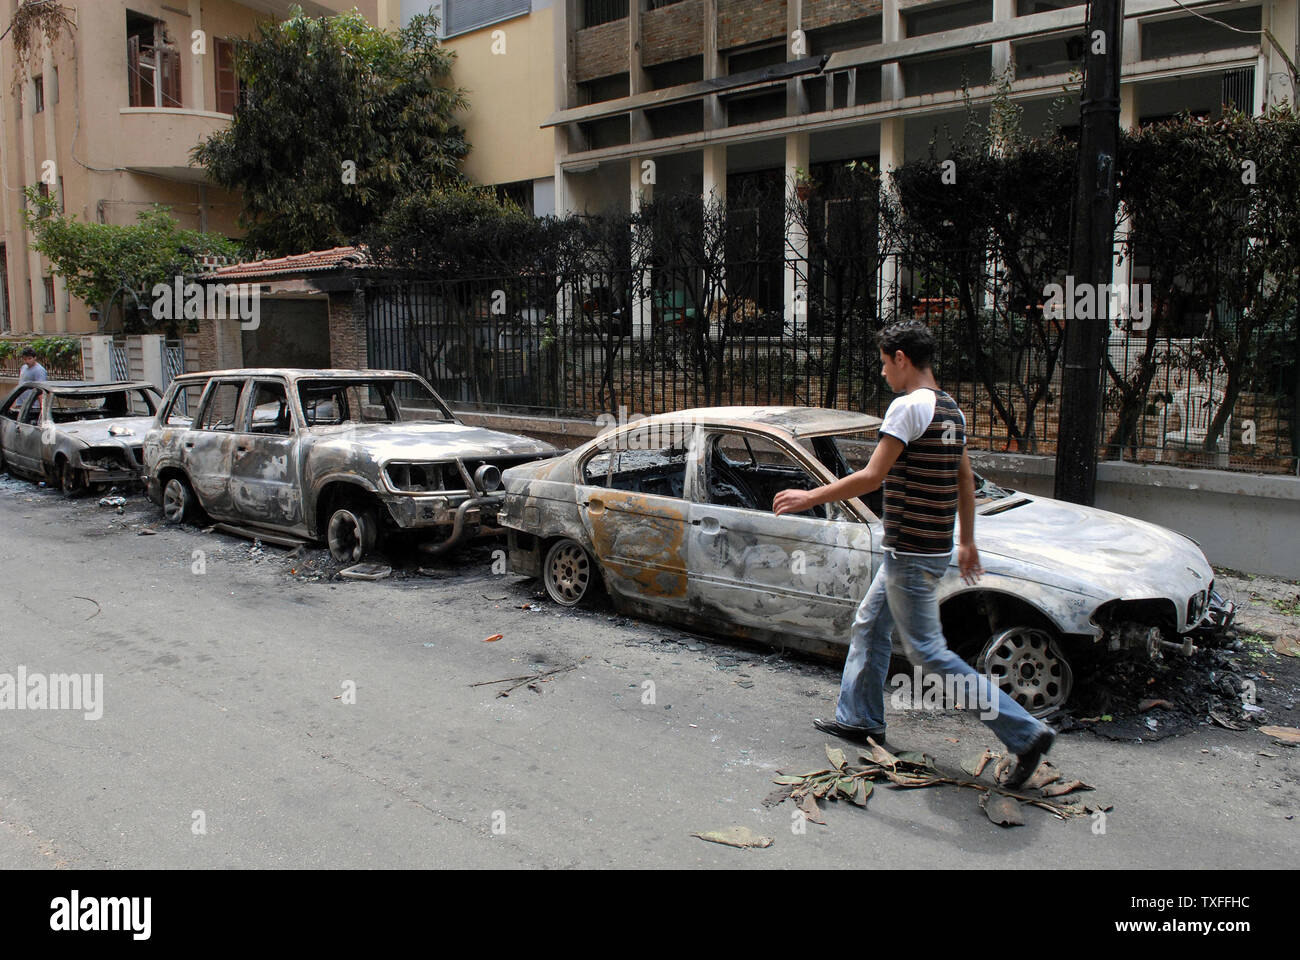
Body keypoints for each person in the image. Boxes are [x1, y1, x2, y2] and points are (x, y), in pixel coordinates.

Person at [773, 320, 1054, 788]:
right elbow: (965, 478)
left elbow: (872, 476)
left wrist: (808, 497)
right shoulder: (951, 411)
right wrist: (967, 540)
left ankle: (1025, 733)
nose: (884, 374)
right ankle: (859, 717)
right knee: (870, 622)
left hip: (909, 552)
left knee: (930, 653)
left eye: (885, 364)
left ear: (901, 358)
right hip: (927, 548)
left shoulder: (907, 408)